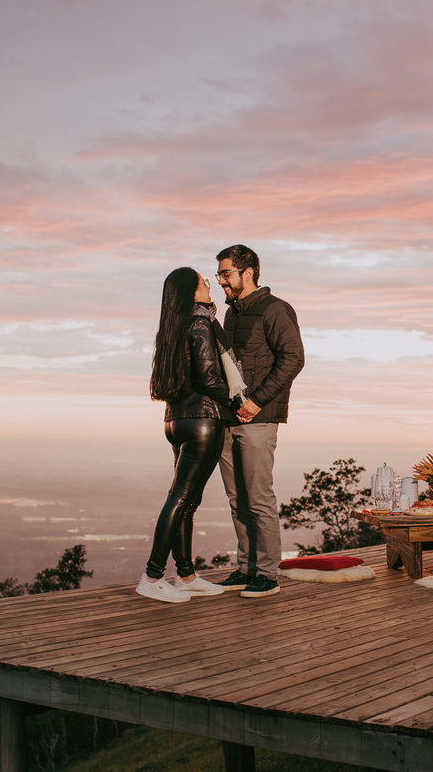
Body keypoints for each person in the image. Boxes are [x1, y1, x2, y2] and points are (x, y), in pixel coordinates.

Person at [137, 267, 244, 604]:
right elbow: (210, 377)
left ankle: (185, 575)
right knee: (181, 499)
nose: (208, 286)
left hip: (176, 420)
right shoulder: (200, 323)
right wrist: (236, 401)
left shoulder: (172, 327)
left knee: (185, 501)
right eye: (202, 282)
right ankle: (152, 576)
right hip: (203, 419)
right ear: (191, 291)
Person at [215, 245, 305, 598]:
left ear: (248, 272)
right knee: (237, 498)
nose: (220, 280)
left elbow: (293, 358)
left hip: (259, 418)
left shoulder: (275, 309)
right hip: (229, 417)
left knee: (258, 497)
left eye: (226, 273)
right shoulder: (231, 313)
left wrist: (256, 402)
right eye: (219, 274)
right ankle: (246, 568)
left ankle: (267, 574)